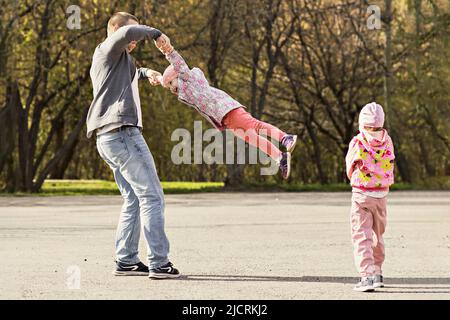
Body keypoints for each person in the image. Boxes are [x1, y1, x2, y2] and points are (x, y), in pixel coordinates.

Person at [86, 12, 180, 279]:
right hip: (123, 134)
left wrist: (147, 72)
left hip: (107, 138)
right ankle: (159, 263)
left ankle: (126, 260)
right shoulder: (107, 47)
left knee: (133, 199)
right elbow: (127, 34)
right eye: (133, 31)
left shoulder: (116, 60)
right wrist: (157, 34)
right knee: (152, 196)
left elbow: (131, 71)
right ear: (115, 30)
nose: (136, 39)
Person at [154, 35, 297, 179]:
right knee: (252, 138)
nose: (172, 90)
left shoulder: (187, 77)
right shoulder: (184, 90)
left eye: (171, 84)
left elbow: (177, 62)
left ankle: (285, 138)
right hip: (225, 118)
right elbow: (167, 80)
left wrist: (167, 49)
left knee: (255, 126)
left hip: (228, 109)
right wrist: (158, 78)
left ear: (177, 76)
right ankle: (280, 157)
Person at [345, 102, 395, 292]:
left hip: (361, 195)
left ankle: (366, 277)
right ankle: (377, 272)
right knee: (377, 234)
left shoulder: (358, 141)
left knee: (361, 235)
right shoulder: (387, 140)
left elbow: (350, 166)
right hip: (381, 194)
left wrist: (356, 178)